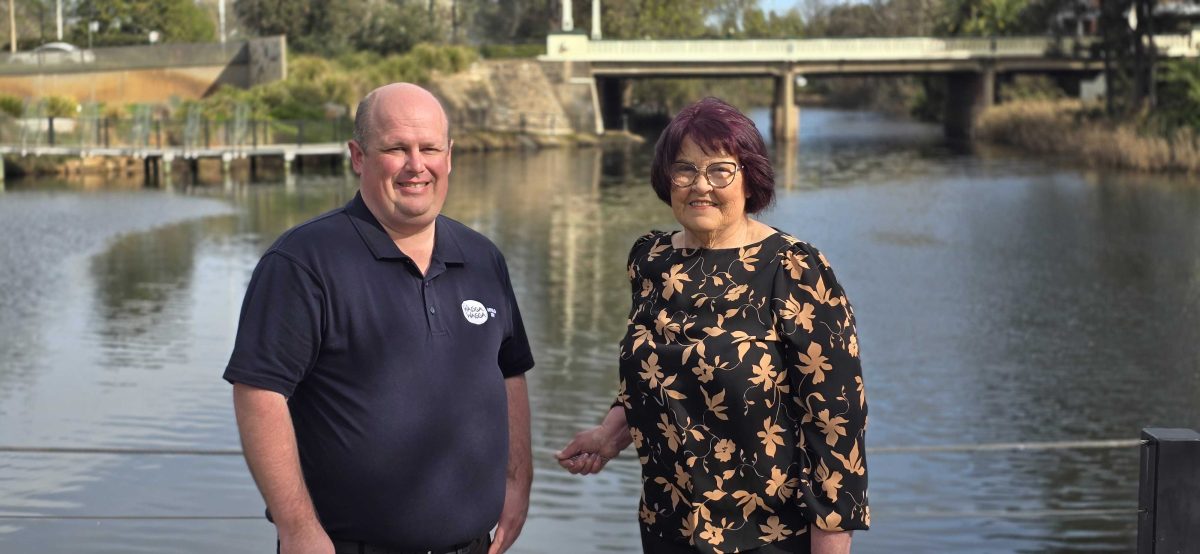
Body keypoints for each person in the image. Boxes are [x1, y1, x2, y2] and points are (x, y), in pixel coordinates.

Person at [224, 83, 534, 554]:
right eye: (396, 148)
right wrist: (298, 528)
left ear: (448, 156)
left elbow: (510, 371)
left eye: (429, 148)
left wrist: (517, 482)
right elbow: (259, 394)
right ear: (357, 156)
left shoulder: (483, 257)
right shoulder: (303, 261)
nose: (417, 165)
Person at [556, 97, 869, 554]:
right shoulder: (651, 260)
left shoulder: (793, 269)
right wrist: (610, 434)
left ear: (749, 178)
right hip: (667, 530)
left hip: (768, 539)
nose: (700, 186)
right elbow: (653, 374)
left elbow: (836, 426)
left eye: (720, 170)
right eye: (684, 170)